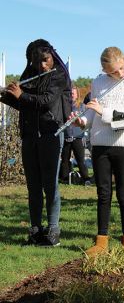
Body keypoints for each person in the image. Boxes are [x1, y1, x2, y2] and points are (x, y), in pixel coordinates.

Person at [0, 39, 71, 246]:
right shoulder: (29, 74)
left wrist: (22, 95)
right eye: (36, 61)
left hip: (50, 133)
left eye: (45, 60)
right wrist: (5, 96)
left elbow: (46, 102)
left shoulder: (58, 74)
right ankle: (35, 230)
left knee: (50, 185)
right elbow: (24, 105)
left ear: (51, 57)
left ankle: (53, 230)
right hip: (29, 135)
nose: (42, 66)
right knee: (33, 186)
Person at [72, 47, 124, 255]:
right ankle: (101, 241)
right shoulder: (98, 82)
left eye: (121, 68)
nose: (119, 74)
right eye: (112, 72)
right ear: (103, 70)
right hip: (99, 145)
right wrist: (82, 121)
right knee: (103, 193)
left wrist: (103, 112)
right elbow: (93, 115)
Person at [59, 86, 90, 184]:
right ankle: (64, 178)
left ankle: (85, 178)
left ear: (77, 94)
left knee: (80, 159)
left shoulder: (82, 106)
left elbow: (85, 120)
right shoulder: (64, 106)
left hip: (78, 136)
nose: (72, 94)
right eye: (71, 93)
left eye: (74, 93)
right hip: (67, 136)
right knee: (65, 159)